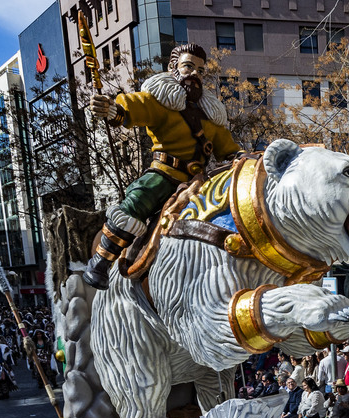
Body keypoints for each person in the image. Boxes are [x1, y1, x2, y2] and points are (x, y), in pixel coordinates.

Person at [84, 43, 242, 289]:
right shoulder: (161, 99)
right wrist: (113, 109)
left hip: (198, 183)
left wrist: (243, 156)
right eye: (188, 66)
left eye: (200, 70)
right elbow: (135, 107)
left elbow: (227, 147)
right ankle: (101, 261)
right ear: (173, 68)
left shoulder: (211, 114)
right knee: (139, 200)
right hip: (164, 174)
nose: (194, 74)